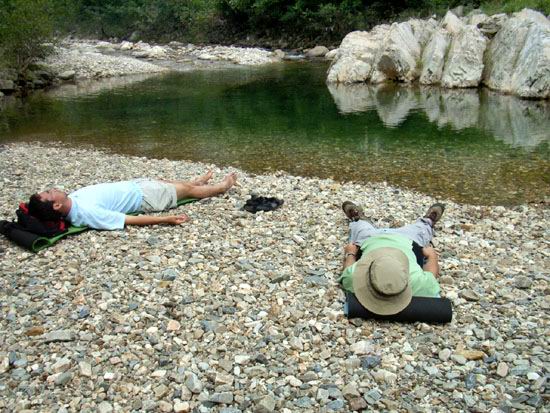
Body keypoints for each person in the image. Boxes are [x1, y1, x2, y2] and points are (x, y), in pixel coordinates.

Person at [27, 171, 237, 230]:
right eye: (50, 192)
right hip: (144, 197)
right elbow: (127, 219)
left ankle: (196, 182)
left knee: (169, 183)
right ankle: (221, 187)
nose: (53, 189)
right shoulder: (87, 214)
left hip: (134, 186)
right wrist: (165, 219)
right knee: (187, 191)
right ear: (56, 205)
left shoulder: (70, 201)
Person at [339, 201, 445, 316]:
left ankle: (358, 218)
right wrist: (432, 256)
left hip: (371, 239)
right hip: (407, 239)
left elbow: (347, 270)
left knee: (360, 227)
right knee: (421, 229)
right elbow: (431, 276)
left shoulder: (355, 279)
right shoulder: (417, 282)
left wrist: (350, 253)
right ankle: (428, 220)